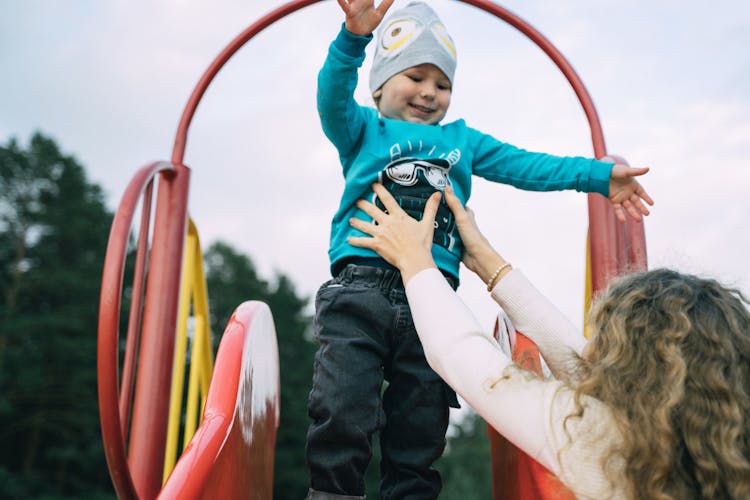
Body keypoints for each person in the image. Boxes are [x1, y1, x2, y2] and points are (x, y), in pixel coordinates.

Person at [307, 1, 654, 498]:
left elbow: (527, 166)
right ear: (380, 86)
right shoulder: (363, 129)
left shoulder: (462, 141)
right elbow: (330, 97)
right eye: (415, 77)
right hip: (360, 290)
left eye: (442, 84)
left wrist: (598, 175)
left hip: (431, 299)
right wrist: (353, 40)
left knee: (421, 421)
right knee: (343, 404)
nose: (430, 92)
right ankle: (333, 494)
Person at [347, 182, 750, 499]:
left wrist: (413, 259)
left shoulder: (607, 447)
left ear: (638, 369)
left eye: (609, 346)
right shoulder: (718, 456)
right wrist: (488, 263)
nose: (594, 353)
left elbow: (466, 358)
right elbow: (578, 358)